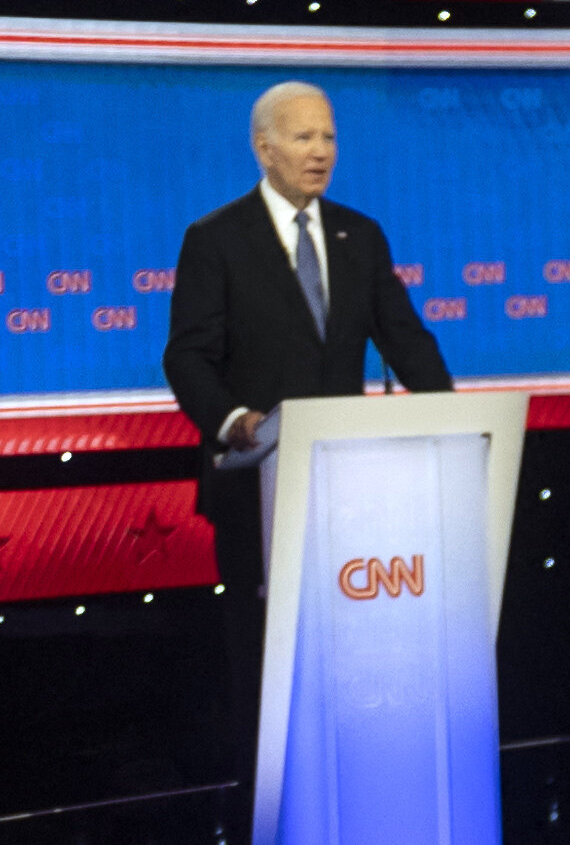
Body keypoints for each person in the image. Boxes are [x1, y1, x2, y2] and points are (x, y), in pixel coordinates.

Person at [161, 79, 452, 602]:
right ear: (264, 148)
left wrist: (451, 424)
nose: (321, 152)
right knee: (262, 653)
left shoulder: (360, 236)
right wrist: (234, 420)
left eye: (329, 137)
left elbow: (407, 341)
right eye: (304, 138)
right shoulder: (215, 239)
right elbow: (187, 356)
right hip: (255, 485)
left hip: (351, 481)